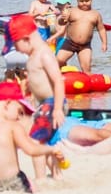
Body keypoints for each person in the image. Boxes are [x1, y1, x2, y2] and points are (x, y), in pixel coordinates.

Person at [0, 82, 59, 192]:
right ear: (7, 105)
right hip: (13, 184)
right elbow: (31, 150)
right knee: (31, 183)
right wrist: (52, 149)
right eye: (19, 111)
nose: (19, 117)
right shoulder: (13, 126)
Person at [8, 14, 69, 144]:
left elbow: (58, 81)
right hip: (42, 103)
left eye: (16, 44)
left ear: (26, 39)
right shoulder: (32, 56)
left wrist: (58, 108)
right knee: (45, 140)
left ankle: (40, 161)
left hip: (53, 102)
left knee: (35, 139)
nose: (17, 49)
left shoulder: (44, 54)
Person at [55, 0, 107, 71]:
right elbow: (61, 23)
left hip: (85, 46)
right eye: (81, 1)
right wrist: (62, 18)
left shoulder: (95, 14)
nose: (84, 3)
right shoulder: (71, 11)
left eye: (87, 1)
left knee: (86, 67)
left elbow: (101, 29)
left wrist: (104, 43)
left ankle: (88, 81)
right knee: (58, 60)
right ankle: (61, 74)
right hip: (70, 43)